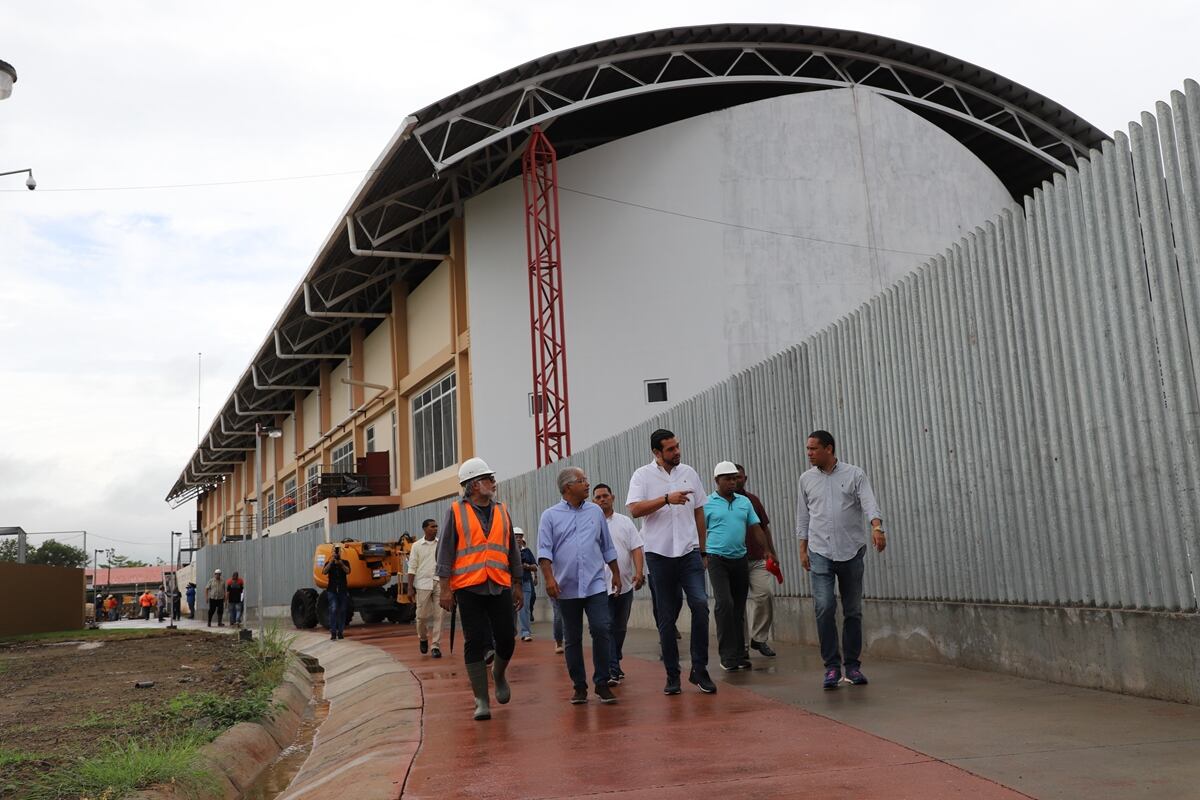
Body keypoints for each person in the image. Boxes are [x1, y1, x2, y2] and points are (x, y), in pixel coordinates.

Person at [627, 428, 716, 695]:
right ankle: (672, 674)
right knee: (666, 618)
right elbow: (634, 509)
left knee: (700, 605)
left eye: (677, 447)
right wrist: (666, 499)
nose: (677, 452)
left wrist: (703, 550)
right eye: (670, 449)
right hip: (659, 554)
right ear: (657, 452)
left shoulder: (689, 472)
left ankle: (699, 669)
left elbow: (699, 510)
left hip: (689, 552)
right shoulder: (642, 476)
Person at [796, 430, 887, 689]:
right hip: (819, 551)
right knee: (824, 607)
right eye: (808, 449)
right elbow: (803, 517)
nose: (809, 453)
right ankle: (832, 668)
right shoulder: (806, 479)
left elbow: (869, 503)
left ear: (829, 448)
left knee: (853, 611)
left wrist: (877, 527)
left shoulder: (854, 474)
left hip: (851, 551)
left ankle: (853, 666)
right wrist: (803, 549)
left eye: (813, 449)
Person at [436, 457, 524, 721]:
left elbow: (511, 550)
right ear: (474, 485)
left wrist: (517, 583)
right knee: (474, 641)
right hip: (468, 587)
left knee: (507, 638)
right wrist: (445, 589)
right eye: (488, 479)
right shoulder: (455, 511)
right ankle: (481, 700)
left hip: (498, 584)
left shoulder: (501, 511)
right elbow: (445, 552)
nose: (493, 483)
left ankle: (498, 674)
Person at [538, 467, 620, 705]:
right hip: (566, 587)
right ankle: (579, 686)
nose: (587, 484)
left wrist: (615, 572)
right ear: (567, 488)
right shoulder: (550, 516)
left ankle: (602, 682)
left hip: (595, 584)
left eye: (586, 479)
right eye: (582, 481)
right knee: (572, 638)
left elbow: (607, 545)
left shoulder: (595, 512)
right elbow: (544, 551)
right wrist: (549, 579)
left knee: (602, 629)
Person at [704, 461, 770, 672]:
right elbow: (697, 530)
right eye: (728, 479)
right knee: (724, 604)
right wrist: (702, 554)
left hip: (740, 559)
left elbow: (756, 527)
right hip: (717, 560)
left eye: (735, 478)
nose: (733, 482)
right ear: (717, 481)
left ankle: (740, 653)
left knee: (738, 608)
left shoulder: (744, 502)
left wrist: (767, 550)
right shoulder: (708, 503)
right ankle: (727, 656)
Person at [592, 482, 644, 685]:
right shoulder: (592, 525)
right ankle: (612, 669)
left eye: (605, 495)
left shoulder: (625, 522)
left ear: (613, 497)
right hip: (600, 587)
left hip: (625, 585)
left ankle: (615, 660)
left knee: (619, 628)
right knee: (607, 627)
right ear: (593, 501)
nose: (602, 499)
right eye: (598, 497)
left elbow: (636, 548)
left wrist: (639, 573)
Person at [736, 464, 780, 659]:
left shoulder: (752, 500)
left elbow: (764, 528)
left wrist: (771, 551)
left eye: (739, 477)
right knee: (737, 605)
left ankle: (759, 638)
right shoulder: (716, 502)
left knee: (765, 594)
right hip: (733, 560)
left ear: (745, 478)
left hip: (757, 558)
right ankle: (741, 646)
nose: (735, 481)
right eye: (730, 477)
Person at [407, 518, 444, 658]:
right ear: (425, 529)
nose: (435, 528)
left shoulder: (441, 544)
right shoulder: (416, 546)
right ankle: (423, 638)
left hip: (439, 582)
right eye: (432, 526)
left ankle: (435, 646)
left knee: (439, 616)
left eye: (436, 526)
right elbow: (412, 567)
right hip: (422, 584)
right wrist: (410, 587)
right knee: (421, 616)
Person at [323, 546, 351, 640]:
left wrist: (341, 564)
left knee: (342, 610)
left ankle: (340, 632)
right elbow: (324, 571)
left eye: (338, 552)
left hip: (343, 590)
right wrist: (331, 562)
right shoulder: (329, 563)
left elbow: (348, 571)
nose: (337, 554)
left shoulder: (345, 562)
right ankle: (333, 632)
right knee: (334, 609)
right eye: (335, 552)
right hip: (332, 590)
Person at [516, 530, 538, 641]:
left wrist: (527, 566)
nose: (518, 539)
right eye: (516, 537)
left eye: (520, 537)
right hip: (511, 584)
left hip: (525, 582)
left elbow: (535, 566)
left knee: (525, 608)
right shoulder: (508, 551)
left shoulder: (527, 551)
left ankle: (525, 632)